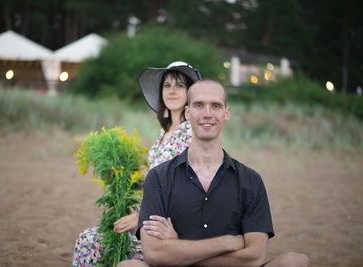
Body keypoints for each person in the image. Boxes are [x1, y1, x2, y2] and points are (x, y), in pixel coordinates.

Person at [118, 79, 309, 267]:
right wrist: (225, 242)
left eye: (216, 106)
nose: (207, 114)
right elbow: (154, 254)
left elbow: (255, 256)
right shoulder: (159, 177)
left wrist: (177, 249)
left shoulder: (250, 180)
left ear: (226, 113)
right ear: (188, 112)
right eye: (199, 105)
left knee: (296, 261)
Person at [72, 61, 202, 266]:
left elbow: (185, 186)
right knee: (91, 240)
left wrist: (141, 218)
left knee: (91, 241)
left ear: (191, 92)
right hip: (150, 217)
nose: (172, 91)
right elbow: (158, 179)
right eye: (167, 86)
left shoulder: (190, 133)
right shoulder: (165, 132)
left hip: (168, 225)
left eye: (179, 85)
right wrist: (129, 180)